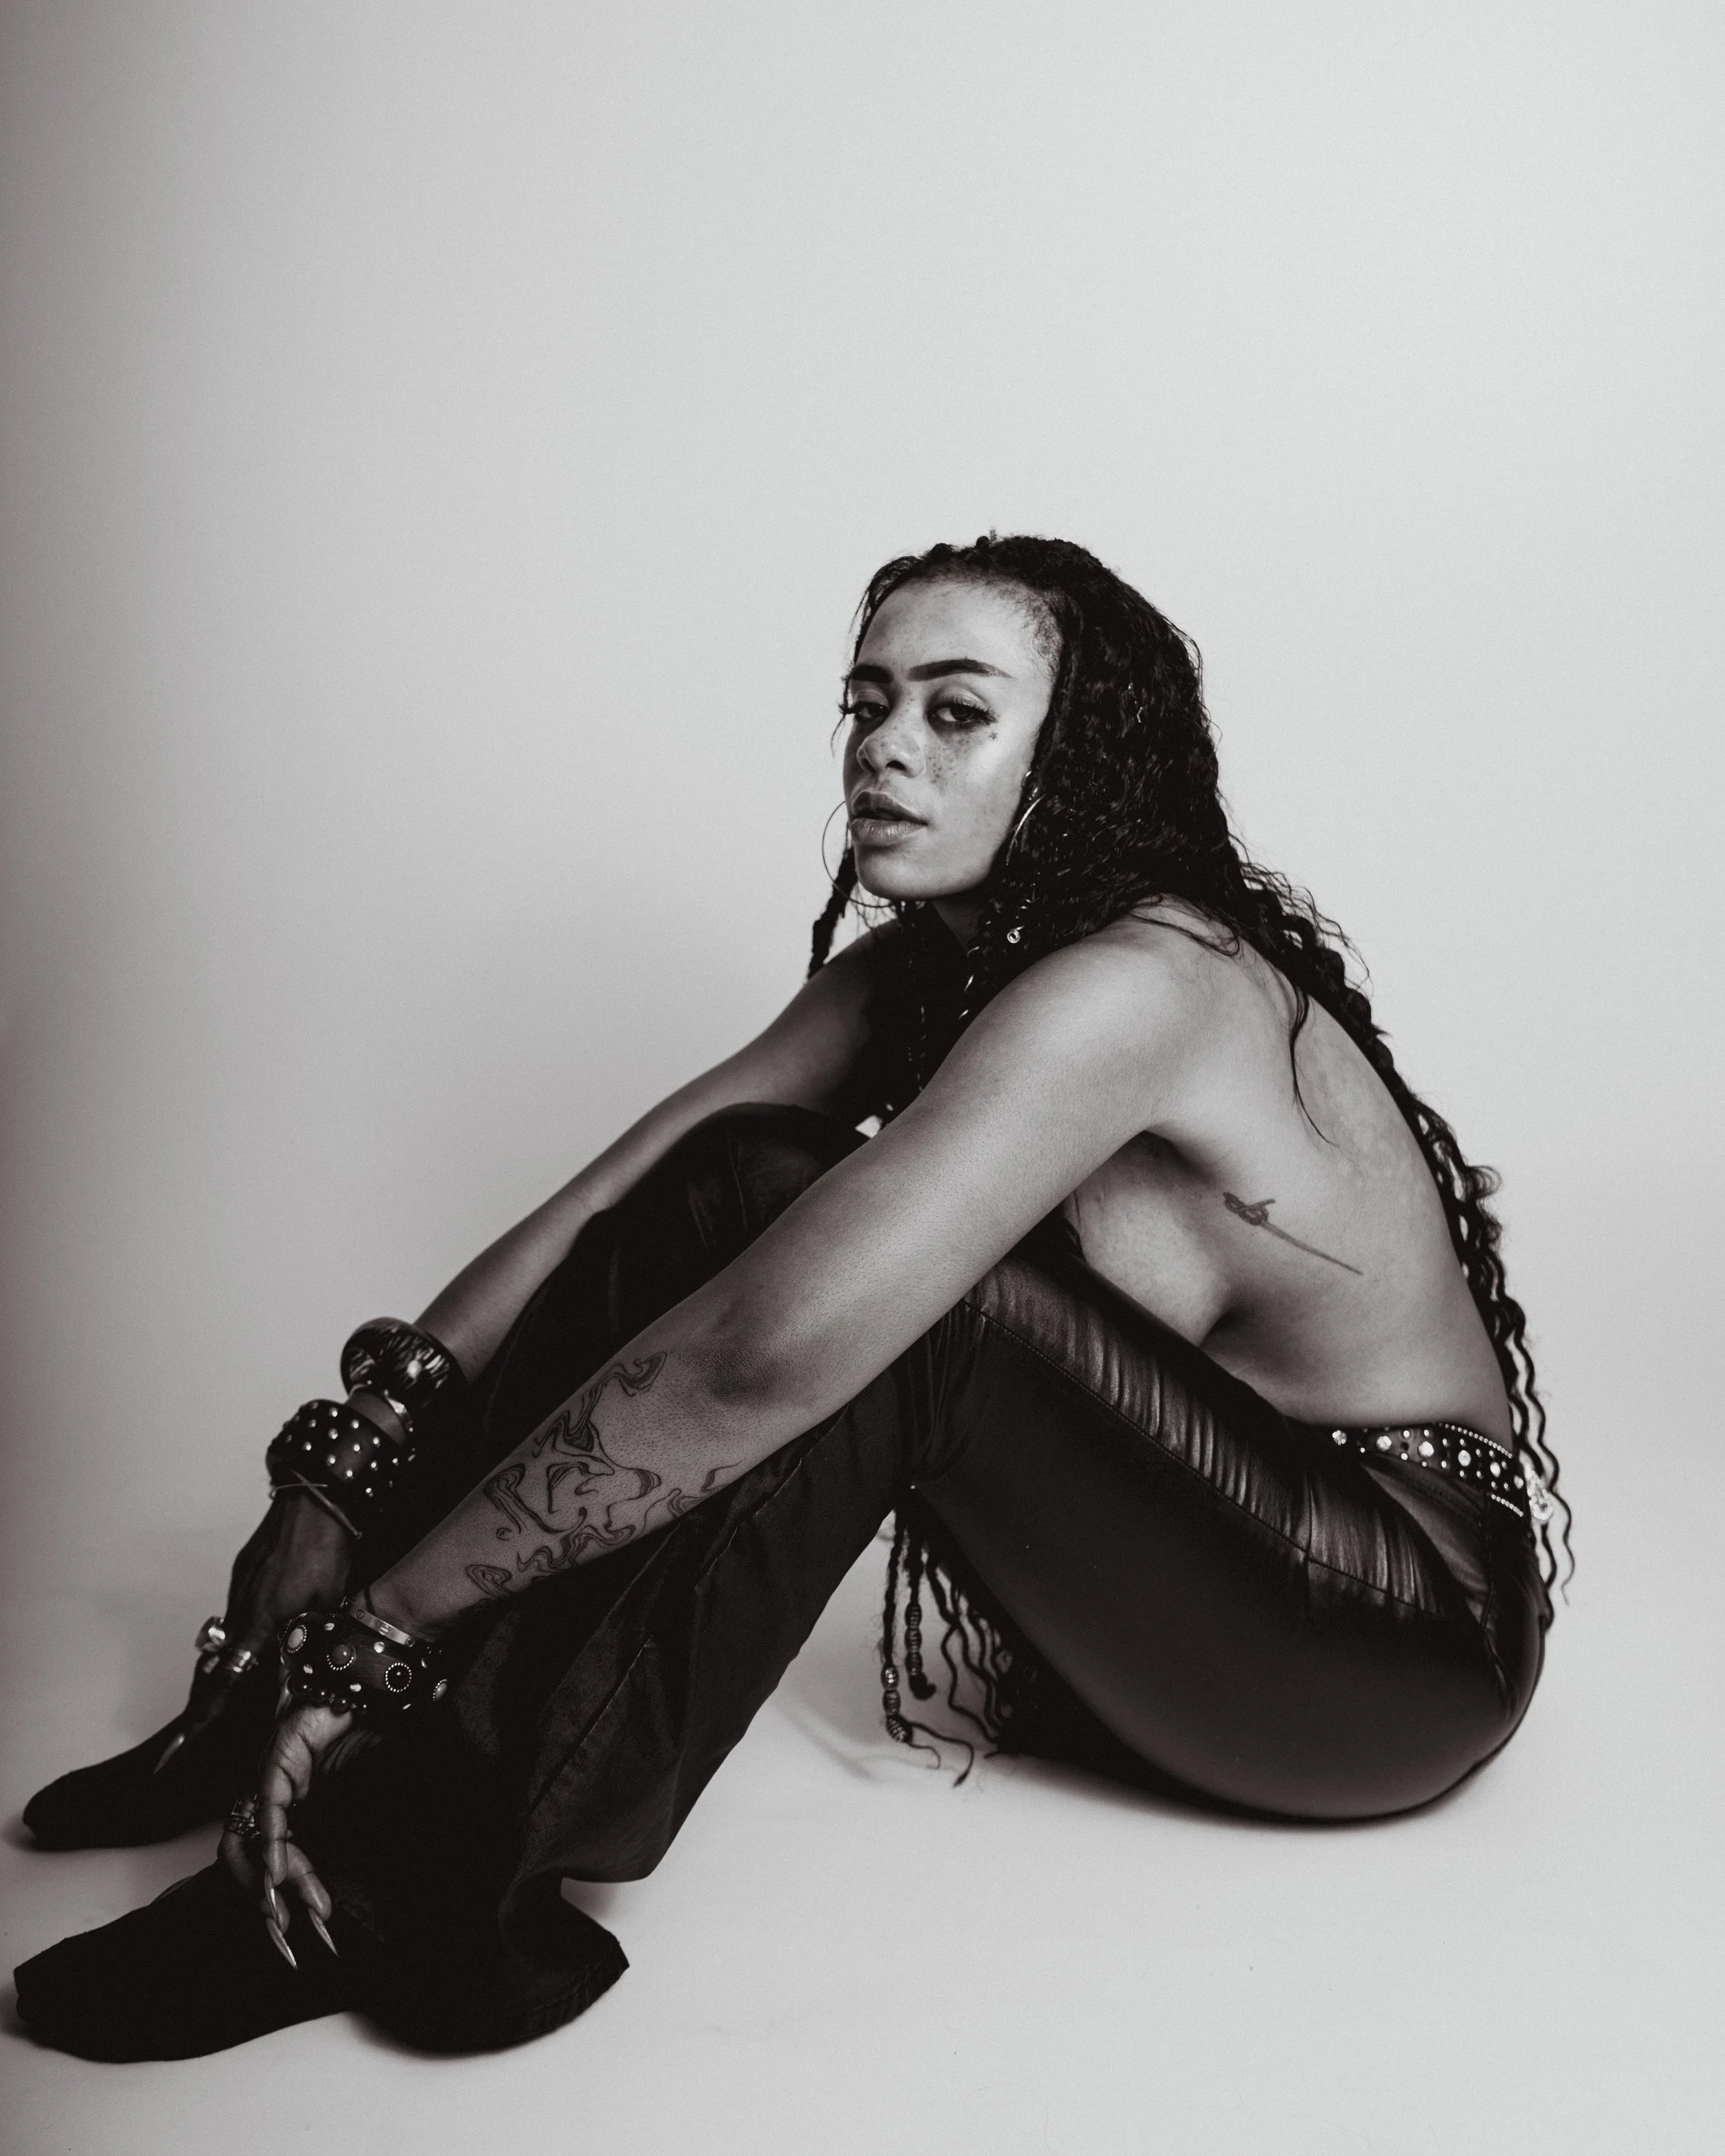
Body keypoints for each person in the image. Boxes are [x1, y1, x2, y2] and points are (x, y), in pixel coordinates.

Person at [13, 535, 1568, 2060]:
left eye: (954, 712)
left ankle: (399, 1864)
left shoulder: (1139, 985)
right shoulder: (918, 981)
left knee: (881, 1288)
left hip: (1393, 1640)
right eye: (866, 702)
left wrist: (397, 1615)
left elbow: (766, 1356)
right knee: (740, 1172)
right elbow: (615, 1202)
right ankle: (290, 1726)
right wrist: (341, 1476)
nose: (883, 749)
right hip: (1173, 1639)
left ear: (1084, 754)